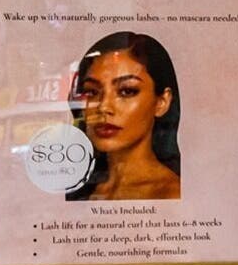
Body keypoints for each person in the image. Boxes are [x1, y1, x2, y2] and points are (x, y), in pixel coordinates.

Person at [64, 31, 183, 202]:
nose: (104, 106)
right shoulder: (78, 188)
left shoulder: (171, 194)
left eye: (127, 91)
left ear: (162, 102)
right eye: (92, 92)